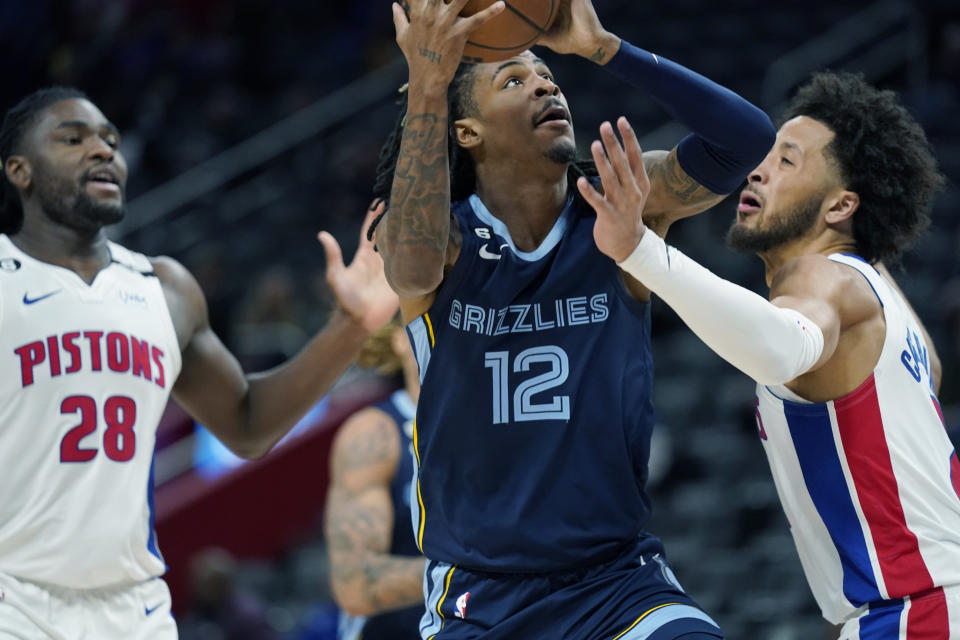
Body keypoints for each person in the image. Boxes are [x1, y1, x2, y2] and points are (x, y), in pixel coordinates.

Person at [370, 0, 776, 636]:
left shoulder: (618, 207)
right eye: (514, 80)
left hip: (616, 582)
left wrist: (606, 49)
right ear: (467, 130)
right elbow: (411, 271)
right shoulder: (442, 240)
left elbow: (747, 141)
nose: (543, 81)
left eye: (547, 75)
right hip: (481, 598)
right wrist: (428, 81)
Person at [0, 87, 398, 639]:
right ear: (19, 170)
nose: (102, 150)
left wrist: (351, 326)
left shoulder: (164, 288)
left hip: (135, 612)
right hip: (15, 605)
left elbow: (250, 424)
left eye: (110, 140)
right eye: (73, 139)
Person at [586, 71, 960, 637]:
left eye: (787, 161)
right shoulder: (875, 293)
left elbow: (787, 347)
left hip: (915, 609)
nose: (758, 168)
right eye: (766, 154)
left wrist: (640, 251)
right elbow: (927, 369)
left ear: (840, 206)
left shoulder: (824, 277)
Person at [325, 317, 425, 640]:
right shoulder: (374, 433)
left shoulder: (499, 427)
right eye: (431, 320)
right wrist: (477, 572)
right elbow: (354, 583)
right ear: (398, 339)